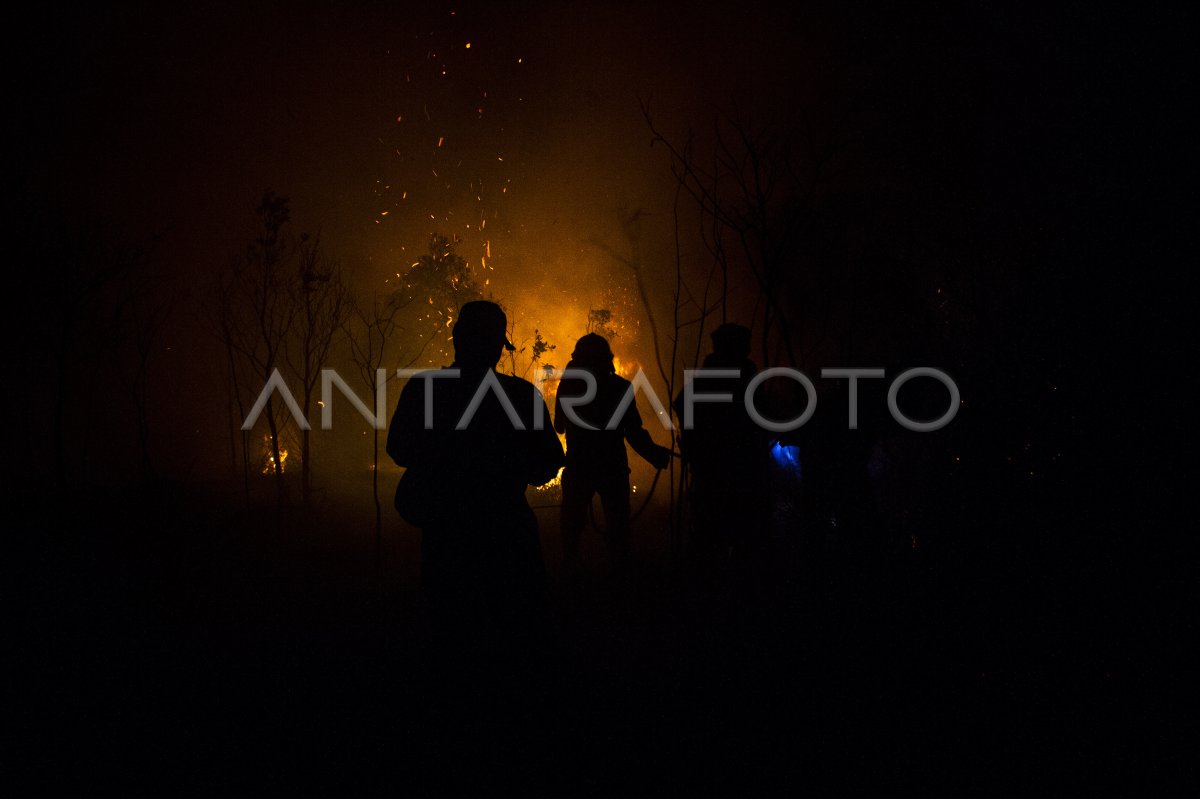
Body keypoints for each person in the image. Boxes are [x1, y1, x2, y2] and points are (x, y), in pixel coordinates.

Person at [386, 300, 564, 657]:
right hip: (508, 533)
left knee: (450, 631)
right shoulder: (520, 396)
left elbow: (399, 450)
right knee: (513, 634)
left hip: (447, 534)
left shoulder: (425, 389)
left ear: (456, 340)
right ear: (500, 347)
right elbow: (547, 465)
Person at [554, 334, 672, 577]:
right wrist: (655, 454)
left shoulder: (569, 386)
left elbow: (559, 427)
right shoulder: (620, 387)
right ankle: (619, 580)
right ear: (607, 359)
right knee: (618, 531)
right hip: (612, 468)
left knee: (571, 530)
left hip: (580, 468)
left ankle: (571, 578)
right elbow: (633, 432)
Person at [673, 323, 771, 575]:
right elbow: (766, 417)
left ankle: (706, 593)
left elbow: (682, 404)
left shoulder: (708, 377)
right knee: (740, 542)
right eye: (744, 344)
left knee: (708, 541)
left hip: (713, 473)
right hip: (738, 474)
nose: (749, 349)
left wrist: (692, 442)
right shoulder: (743, 378)